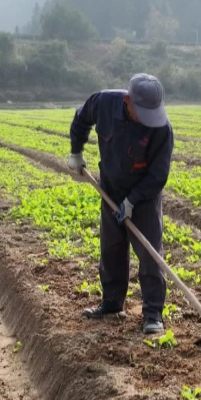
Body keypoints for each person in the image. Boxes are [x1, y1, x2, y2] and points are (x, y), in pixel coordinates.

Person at [66, 73, 174, 335]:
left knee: (149, 253)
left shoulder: (161, 128)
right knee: (111, 247)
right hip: (111, 188)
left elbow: (158, 175)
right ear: (128, 101)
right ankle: (112, 303)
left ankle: (152, 314)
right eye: (143, 112)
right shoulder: (103, 103)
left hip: (144, 196)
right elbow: (81, 120)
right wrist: (76, 152)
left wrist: (133, 201)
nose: (148, 119)